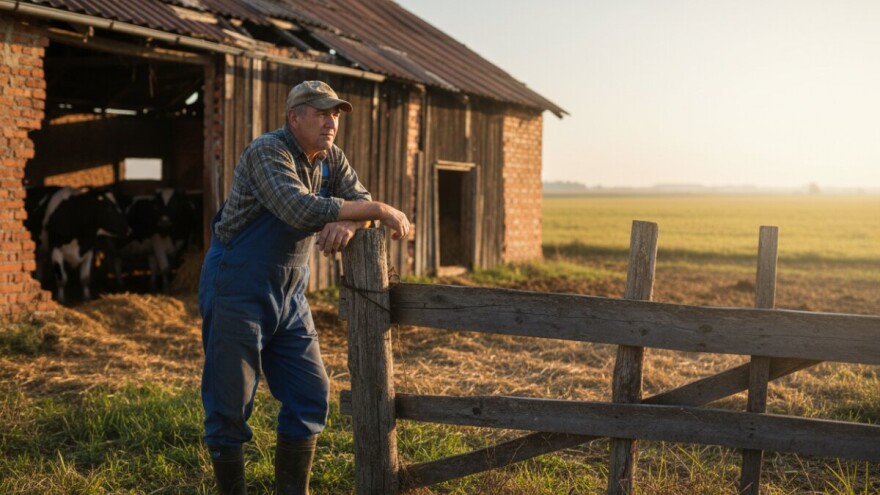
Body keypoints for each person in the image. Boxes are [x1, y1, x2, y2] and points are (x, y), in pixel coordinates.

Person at [198, 80, 410, 495]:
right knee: (230, 401)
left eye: (335, 114)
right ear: (294, 117)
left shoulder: (332, 160)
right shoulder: (268, 151)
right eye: (321, 112)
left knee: (310, 392)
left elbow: (358, 197)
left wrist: (351, 220)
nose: (331, 122)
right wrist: (378, 210)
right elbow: (298, 207)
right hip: (237, 285)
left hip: (291, 293)